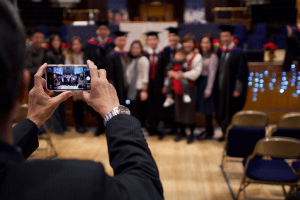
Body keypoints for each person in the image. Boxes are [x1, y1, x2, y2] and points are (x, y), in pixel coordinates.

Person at [0, 2, 164, 199]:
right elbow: (147, 188)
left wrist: (32, 120)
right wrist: (114, 111)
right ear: (22, 88)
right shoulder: (78, 183)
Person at [214, 25, 249, 142]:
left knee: (231, 112)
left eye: (227, 36)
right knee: (221, 112)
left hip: (231, 90)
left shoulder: (239, 53)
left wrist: (238, 90)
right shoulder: (220, 52)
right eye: (222, 36)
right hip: (220, 89)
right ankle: (225, 133)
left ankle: (232, 136)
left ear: (232, 37)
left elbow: (242, 73)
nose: (224, 38)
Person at [168, 34, 202, 144]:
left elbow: (196, 73)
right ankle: (181, 132)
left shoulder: (197, 56)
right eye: (186, 42)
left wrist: (182, 75)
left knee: (190, 111)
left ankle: (191, 133)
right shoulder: (179, 54)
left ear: (193, 44)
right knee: (179, 110)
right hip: (178, 86)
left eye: (190, 42)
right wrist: (171, 73)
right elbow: (171, 67)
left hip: (190, 87)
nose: (187, 44)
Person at [144, 31, 168, 137]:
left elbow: (167, 71)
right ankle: (151, 127)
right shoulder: (145, 54)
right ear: (148, 41)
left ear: (157, 41)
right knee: (149, 106)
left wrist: (166, 85)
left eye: (154, 39)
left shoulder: (163, 54)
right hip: (148, 85)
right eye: (150, 40)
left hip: (160, 84)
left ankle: (160, 129)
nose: (152, 41)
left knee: (160, 106)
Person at [196, 33, 218, 140]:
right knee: (204, 109)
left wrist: (208, 89)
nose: (204, 44)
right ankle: (207, 129)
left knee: (208, 110)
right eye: (203, 42)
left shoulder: (213, 56)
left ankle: (210, 132)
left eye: (207, 42)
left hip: (207, 83)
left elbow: (212, 74)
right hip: (200, 82)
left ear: (211, 44)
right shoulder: (201, 54)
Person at [45, 34, 68, 135]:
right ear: (51, 43)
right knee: (56, 107)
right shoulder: (49, 54)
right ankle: (57, 128)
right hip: (54, 82)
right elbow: (49, 70)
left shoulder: (61, 53)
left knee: (62, 106)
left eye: (57, 40)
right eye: (54, 41)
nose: (56, 42)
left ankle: (63, 126)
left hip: (62, 82)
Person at [65, 36, 88, 134]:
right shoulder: (69, 55)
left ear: (81, 45)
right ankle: (77, 125)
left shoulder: (84, 55)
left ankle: (82, 124)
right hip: (74, 81)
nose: (76, 46)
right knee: (76, 104)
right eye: (74, 44)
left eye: (77, 44)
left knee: (82, 104)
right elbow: (68, 68)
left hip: (83, 81)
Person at [126, 40, 150, 130]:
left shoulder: (143, 59)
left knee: (138, 110)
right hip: (132, 89)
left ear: (141, 49)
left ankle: (140, 129)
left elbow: (145, 76)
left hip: (140, 88)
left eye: (137, 48)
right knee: (133, 109)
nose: (135, 50)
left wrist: (144, 91)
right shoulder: (131, 60)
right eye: (133, 47)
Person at [106, 31, 128, 106]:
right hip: (117, 85)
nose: (122, 42)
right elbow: (109, 74)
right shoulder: (111, 55)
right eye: (120, 40)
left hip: (126, 85)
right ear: (115, 41)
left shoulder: (126, 54)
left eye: (124, 40)